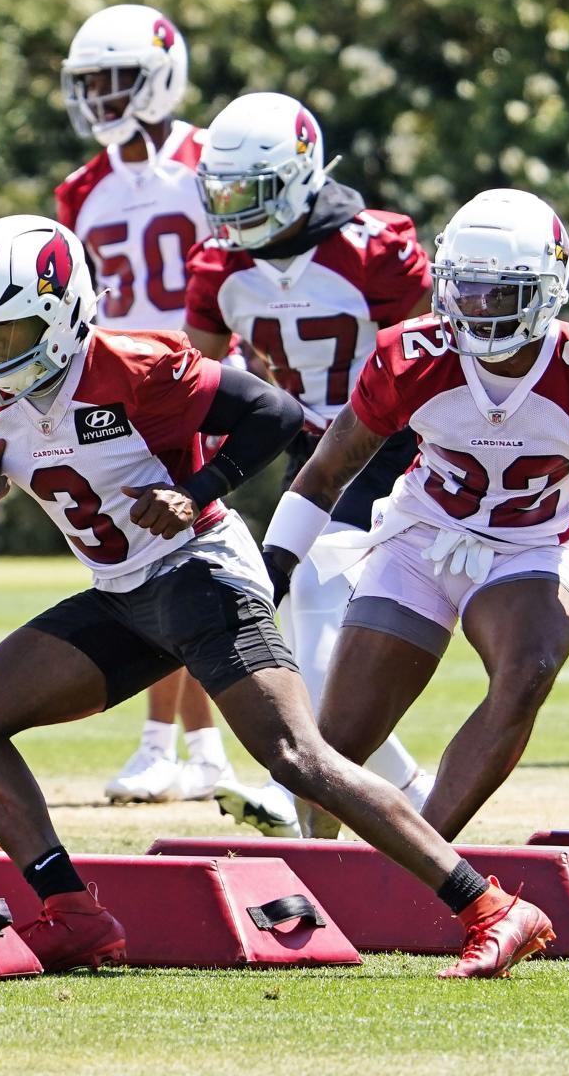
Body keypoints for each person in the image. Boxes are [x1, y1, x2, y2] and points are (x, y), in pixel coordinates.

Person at [0, 212, 556, 980]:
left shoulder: (134, 365)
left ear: (62, 314)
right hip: (122, 593)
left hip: (201, 573)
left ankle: (489, 906)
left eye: (8, 331)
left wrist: (196, 491)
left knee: (296, 756)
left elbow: (274, 414)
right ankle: (73, 913)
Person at [258, 188, 569, 842]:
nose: (480, 308)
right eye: (466, 289)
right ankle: (320, 877)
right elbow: (325, 473)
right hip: (420, 538)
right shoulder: (412, 356)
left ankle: (427, 869)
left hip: (528, 551)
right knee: (334, 749)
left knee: (526, 676)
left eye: (502, 292)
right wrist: (270, 573)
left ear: (549, 290)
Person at [185, 91, 436, 836]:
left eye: (248, 194)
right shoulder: (218, 266)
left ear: (299, 176)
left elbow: (429, 369)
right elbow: (196, 387)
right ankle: (413, 805)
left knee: (316, 637)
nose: (232, 212)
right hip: (309, 458)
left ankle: (316, 805)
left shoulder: (375, 249)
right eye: (220, 193)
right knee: (304, 644)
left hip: (394, 451)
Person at [57, 3, 233, 803]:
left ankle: (184, 747)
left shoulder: (209, 158)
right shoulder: (81, 190)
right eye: (89, 83)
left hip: (198, 377)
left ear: (162, 75)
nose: (99, 97)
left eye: (116, 79)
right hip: (117, 383)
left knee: (184, 555)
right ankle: (186, 748)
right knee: (150, 557)